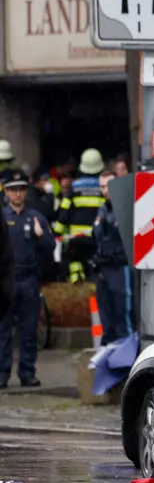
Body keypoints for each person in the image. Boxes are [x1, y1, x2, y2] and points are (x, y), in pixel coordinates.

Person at [0, 171, 53, 389]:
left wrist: (41, 237)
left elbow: (50, 250)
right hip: (5, 281)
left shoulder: (36, 217)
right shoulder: (2, 216)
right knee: (3, 331)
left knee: (29, 330)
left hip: (29, 279)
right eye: (13, 189)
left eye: (21, 189)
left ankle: (27, 372)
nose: (17, 194)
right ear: (6, 192)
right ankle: (2, 374)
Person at [93, 170, 132, 345]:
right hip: (104, 269)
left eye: (109, 185)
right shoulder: (102, 209)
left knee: (123, 315)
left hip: (120, 268)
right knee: (106, 317)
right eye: (102, 186)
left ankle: (129, 359)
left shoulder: (126, 208)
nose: (105, 190)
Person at [56, 148, 105, 283]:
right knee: (95, 270)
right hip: (95, 238)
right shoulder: (104, 189)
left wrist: (57, 234)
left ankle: (77, 281)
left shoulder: (74, 188)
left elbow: (64, 213)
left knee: (75, 264)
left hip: (76, 239)